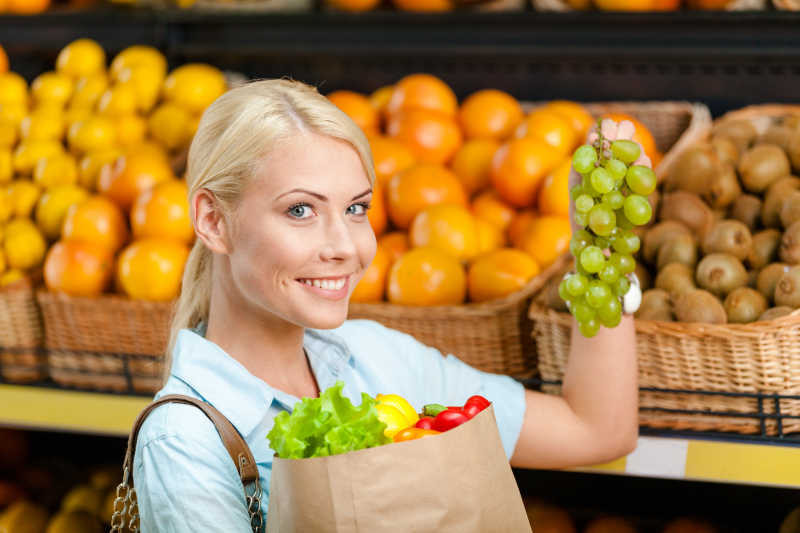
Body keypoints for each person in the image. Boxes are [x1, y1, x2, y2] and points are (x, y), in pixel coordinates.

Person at [133, 79, 641, 531]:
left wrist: (600, 247)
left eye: (356, 208)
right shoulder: (184, 440)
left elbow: (595, 429)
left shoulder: (375, 358)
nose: (345, 246)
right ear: (213, 221)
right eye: (300, 210)